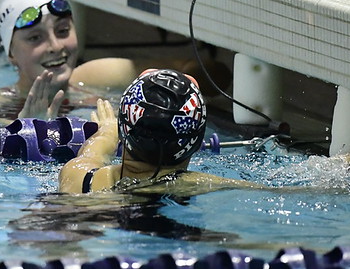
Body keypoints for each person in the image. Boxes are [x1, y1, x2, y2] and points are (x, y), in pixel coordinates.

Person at [0, 0, 227, 122]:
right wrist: (25, 131)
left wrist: (166, 99)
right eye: (35, 38)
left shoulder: (100, 76)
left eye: (62, 31)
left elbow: (212, 74)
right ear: (11, 53)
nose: (55, 47)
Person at [59, 68, 271, 195]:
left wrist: (106, 131)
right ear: (196, 144)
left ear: (123, 132)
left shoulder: (77, 176)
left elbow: (91, 154)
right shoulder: (203, 184)